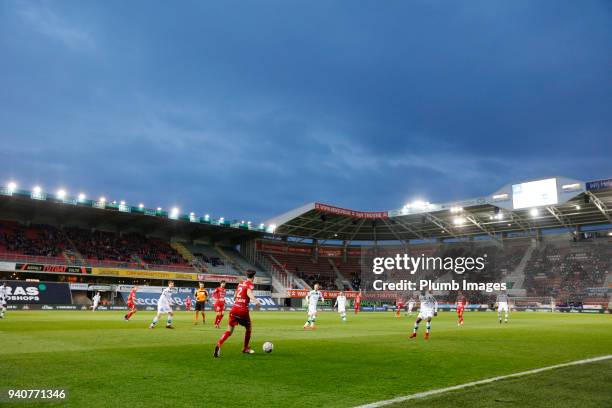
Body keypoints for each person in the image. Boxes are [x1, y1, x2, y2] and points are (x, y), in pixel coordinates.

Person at [214, 271, 260, 357]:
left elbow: (234, 297)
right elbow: (249, 293)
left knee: (229, 331)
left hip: (234, 309)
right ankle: (245, 348)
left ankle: (219, 344)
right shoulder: (250, 284)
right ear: (253, 277)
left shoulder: (240, 283)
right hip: (243, 310)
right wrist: (256, 301)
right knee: (249, 328)